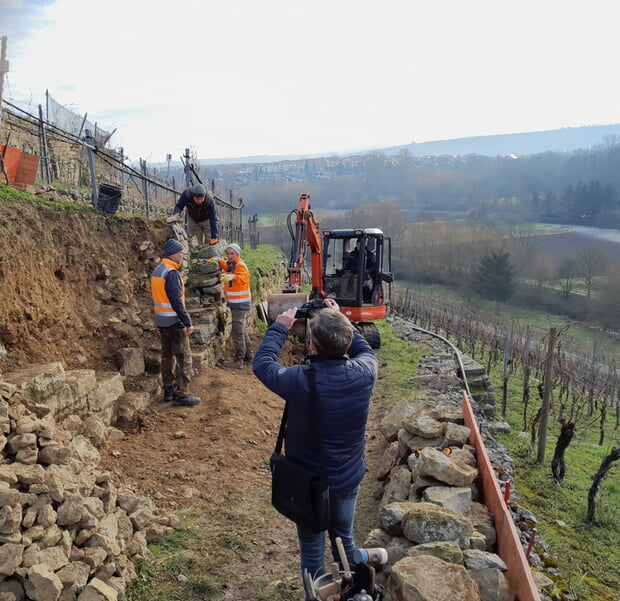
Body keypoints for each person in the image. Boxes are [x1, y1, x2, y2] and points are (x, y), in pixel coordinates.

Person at [252, 299, 378, 599]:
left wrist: (280, 327)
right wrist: (338, 317)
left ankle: (317, 596)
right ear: (347, 342)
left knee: (311, 550)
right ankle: (353, 590)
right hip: (347, 479)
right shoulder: (366, 372)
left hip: (308, 484)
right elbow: (364, 349)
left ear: (311, 346)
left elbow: (263, 364)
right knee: (343, 536)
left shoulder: (299, 379)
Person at [150, 238, 201, 406]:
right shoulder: (171, 273)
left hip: (162, 321)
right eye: (181, 253)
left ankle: (168, 390)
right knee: (184, 357)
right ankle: (181, 394)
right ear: (173, 254)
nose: (183, 255)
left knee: (167, 356)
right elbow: (177, 301)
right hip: (175, 322)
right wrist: (188, 322)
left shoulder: (158, 270)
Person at [218, 243, 253, 369]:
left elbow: (243, 277)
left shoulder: (240, 266)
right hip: (237, 303)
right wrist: (218, 261)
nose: (229, 256)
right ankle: (249, 356)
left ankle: (239, 360)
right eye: (228, 254)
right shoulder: (231, 264)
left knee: (237, 332)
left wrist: (231, 276)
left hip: (240, 304)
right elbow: (225, 265)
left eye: (232, 253)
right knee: (242, 330)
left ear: (237, 254)